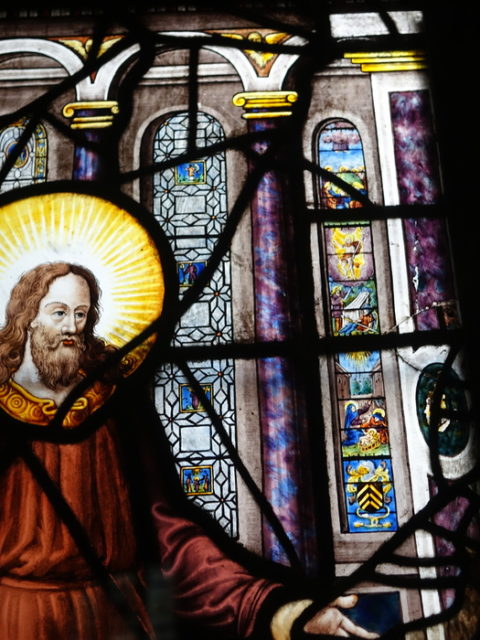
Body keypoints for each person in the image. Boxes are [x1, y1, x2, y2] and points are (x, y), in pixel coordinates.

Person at [0, 261, 377, 639]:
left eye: (81, 314)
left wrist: (279, 610)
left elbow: (168, 539)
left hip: (117, 616)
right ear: (28, 316)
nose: (72, 327)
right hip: (18, 618)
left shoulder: (112, 407)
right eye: (59, 313)